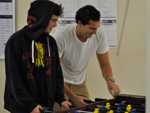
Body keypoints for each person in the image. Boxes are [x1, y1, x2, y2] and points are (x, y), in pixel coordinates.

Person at [4, 0, 71, 113]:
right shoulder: (16, 41)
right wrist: (30, 104)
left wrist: (60, 99)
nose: (55, 25)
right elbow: (14, 79)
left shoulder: (51, 42)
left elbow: (57, 74)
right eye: (53, 21)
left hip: (44, 106)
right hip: (22, 107)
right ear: (42, 19)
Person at [53, 5, 121, 108]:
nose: (95, 32)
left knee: (87, 109)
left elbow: (105, 64)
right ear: (80, 23)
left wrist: (110, 80)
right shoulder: (60, 37)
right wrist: (74, 97)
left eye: (97, 28)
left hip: (79, 82)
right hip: (60, 83)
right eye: (92, 28)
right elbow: (55, 74)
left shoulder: (100, 35)